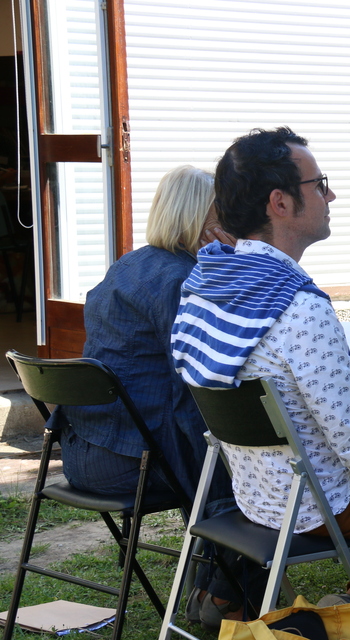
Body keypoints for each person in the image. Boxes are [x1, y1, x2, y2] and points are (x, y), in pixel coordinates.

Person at [170, 127, 350, 629]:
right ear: (280, 203)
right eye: (319, 184)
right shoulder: (298, 307)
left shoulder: (206, 285)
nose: (330, 195)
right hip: (324, 506)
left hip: (259, 497)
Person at [51, 165, 240, 628]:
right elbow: (192, 399)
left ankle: (213, 586)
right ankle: (223, 597)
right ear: (202, 217)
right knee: (252, 471)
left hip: (83, 453)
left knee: (225, 461)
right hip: (130, 464)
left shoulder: (127, 265)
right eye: (226, 210)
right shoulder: (182, 281)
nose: (235, 219)